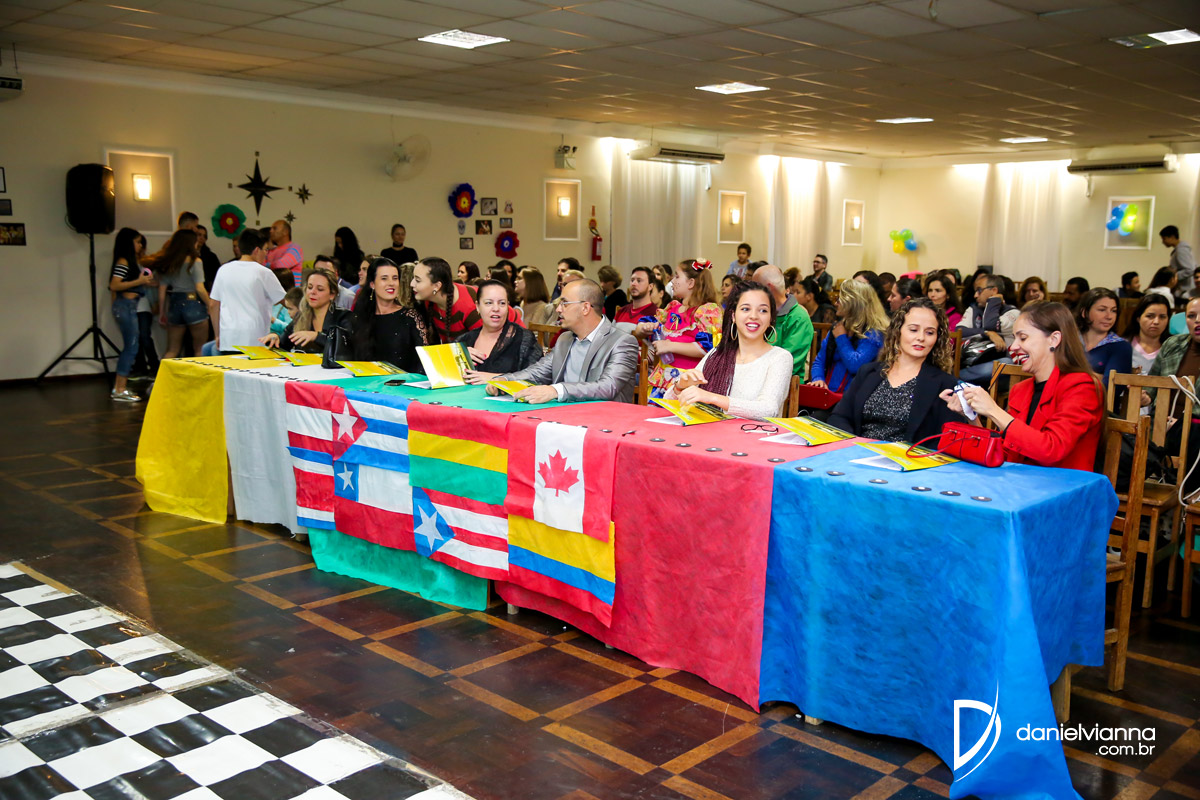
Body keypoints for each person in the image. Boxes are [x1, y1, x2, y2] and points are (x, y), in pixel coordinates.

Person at [943, 302, 1104, 472]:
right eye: (1014, 338)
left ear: (1054, 339)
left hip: (1062, 484)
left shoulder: (1082, 386)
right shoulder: (1021, 390)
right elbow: (1002, 454)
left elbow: (1052, 449)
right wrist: (971, 416)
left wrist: (993, 410)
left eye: (1023, 338)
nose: (1013, 347)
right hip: (1021, 481)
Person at [829, 298, 959, 443]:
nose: (921, 338)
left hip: (908, 456)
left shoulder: (945, 384)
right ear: (898, 331)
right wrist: (854, 444)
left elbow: (946, 441)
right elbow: (839, 417)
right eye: (913, 330)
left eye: (929, 332)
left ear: (937, 338)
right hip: (858, 450)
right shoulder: (867, 372)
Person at [489, 279, 638, 403]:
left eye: (564, 303)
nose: (558, 309)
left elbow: (608, 387)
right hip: (563, 416)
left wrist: (555, 390)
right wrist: (505, 380)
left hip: (604, 421)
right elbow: (538, 372)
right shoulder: (564, 339)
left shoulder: (622, 342)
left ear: (585, 308)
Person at [665, 282, 792, 420]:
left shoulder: (780, 358)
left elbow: (768, 409)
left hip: (754, 433)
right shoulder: (717, 354)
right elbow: (668, 401)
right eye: (745, 309)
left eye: (763, 310)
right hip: (711, 430)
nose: (754, 316)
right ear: (733, 316)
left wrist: (712, 398)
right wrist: (680, 386)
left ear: (771, 318)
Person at [637, 259, 723, 396]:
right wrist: (644, 327)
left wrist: (669, 345)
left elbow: (709, 347)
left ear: (691, 283)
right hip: (664, 379)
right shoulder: (673, 308)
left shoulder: (707, 311)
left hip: (690, 382)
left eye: (677, 276)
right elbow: (642, 330)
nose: (672, 281)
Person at [207, 228, 286, 355]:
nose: (266, 254)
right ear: (256, 250)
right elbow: (285, 301)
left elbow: (213, 305)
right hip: (254, 338)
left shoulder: (223, 269)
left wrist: (217, 335)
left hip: (228, 337)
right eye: (265, 250)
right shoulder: (263, 272)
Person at [350, 258, 433, 373]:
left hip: (405, 382)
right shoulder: (360, 317)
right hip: (367, 381)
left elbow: (424, 361)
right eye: (384, 278)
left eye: (395, 278)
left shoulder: (411, 317)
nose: (391, 283)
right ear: (372, 284)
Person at [412, 256, 521, 343]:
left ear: (437, 286)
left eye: (418, 280)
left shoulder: (469, 306)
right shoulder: (430, 301)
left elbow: (489, 345)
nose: (412, 284)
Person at [809, 279, 888, 393]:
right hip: (828, 393)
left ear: (853, 303)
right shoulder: (838, 327)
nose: (835, 304)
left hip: (853, 397)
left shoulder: (873, 333)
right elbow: (819, 360)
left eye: (839, 300)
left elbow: (855, 366)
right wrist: (818, 379)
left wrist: (841, 338)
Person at [460, 280, 542, 382]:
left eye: (502, 303)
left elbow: (538, 377)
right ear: (477, 306)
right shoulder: (464, 340)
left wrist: (497, 378)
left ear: (508, 307)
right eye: (489, 303)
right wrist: (458, 355)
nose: (496, 308)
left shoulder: (524, 339)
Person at [148, 229, 210, 360]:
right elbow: (200, 288)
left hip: (175, 304)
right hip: (193, 301)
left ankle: (162, 373)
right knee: (199, 349)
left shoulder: (170, 262)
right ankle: (197, 373)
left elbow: (162, 289)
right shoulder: (195, 261)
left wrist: (162, 312)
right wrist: (210, 305)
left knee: (172, 350)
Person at [107, 227, 153, 402]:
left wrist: (143, 282)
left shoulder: (130, 261)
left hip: (129, 305)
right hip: (126, 306)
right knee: (131, 347)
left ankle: (120, 387)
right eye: (137, 242)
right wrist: (139, 281)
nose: (140, 245)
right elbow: (114, 285)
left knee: (132, 346)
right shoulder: (123, 261)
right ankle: (119, 389)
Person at [260, 267, 349, 354]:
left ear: (332, 294)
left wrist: (316, 336)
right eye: (310, 287)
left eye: (320, 289)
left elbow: (346, 347)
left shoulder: (345, 317)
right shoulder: (301, 316)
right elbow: (284, 345)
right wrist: (275, 338)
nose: (312, 292)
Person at [753, 264, 814, 379]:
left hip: (783, 383)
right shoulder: (761, 312)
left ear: (769, 288)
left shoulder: (798, 317)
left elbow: (789, 363)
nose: (751, 292)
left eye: (755, 287)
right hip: (756, 375)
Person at [956, 273, 1018, 384]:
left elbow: (991, 325)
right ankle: (958, 378)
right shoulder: (973, 309)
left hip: (1000, 370)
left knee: (1006, 363)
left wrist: (993, 301)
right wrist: (987, 333)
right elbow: (959, 331)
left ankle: (955, 378)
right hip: (974, 363)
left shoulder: (1013, 313)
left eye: (979, 290)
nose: (975, 295)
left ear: (994, 290)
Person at [1076, 288, 1133, 385]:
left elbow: (1111, 386)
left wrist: (1073, 374)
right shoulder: (1069, 340)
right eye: (1102, 310)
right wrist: (1096, 376)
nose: (1109, 316)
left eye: (1114, 311)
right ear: (1084, 312)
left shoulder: (1121, 346)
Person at [1122, 294, 1171, 374]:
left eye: (1162, 317)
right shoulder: (1123, 345)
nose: (1156, 322)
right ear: (1138, 318)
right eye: (1150, 316)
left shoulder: (1174, 348)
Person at [264, 219, 303, 288]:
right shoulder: (271, 250)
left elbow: (281, 265)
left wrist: (265, 266)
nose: (271, 231)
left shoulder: (295, 248)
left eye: (274, 228)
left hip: (290, 292)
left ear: (285, 232)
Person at [1161, 225, 1196, 300]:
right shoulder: (1179, 250)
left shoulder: (1181, 250)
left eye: (1164, 239)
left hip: (1185, 290)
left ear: (1172, 237)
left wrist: (1173, 277)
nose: (1163, 242)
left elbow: (1190, 270)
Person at [196, 225, 222, 293]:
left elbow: (217, 277)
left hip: (207, 290)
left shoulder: (211, 256)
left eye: (204, 236)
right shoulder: (186, 255)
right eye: (199, 235)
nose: (202, 238)